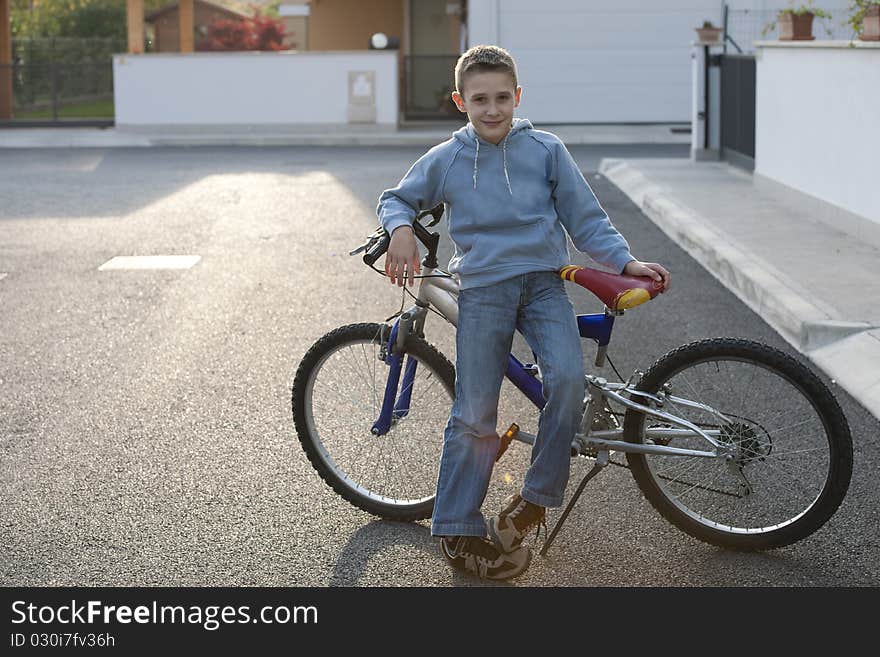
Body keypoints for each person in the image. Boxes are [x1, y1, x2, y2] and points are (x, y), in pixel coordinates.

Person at [376, 45, 670, 580]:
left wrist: (626, 261)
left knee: (568, 382)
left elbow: (586, 219)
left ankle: (532, 501)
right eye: (480, 99)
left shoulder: (546, 149)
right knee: (474, 412)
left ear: (519, 96)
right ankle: (457, 528)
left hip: (542, 287)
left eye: (502, 98)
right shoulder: (446, 158)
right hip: (485, 289)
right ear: (460, 101)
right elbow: (398, 198)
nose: (492, 109)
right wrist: (399, 230)